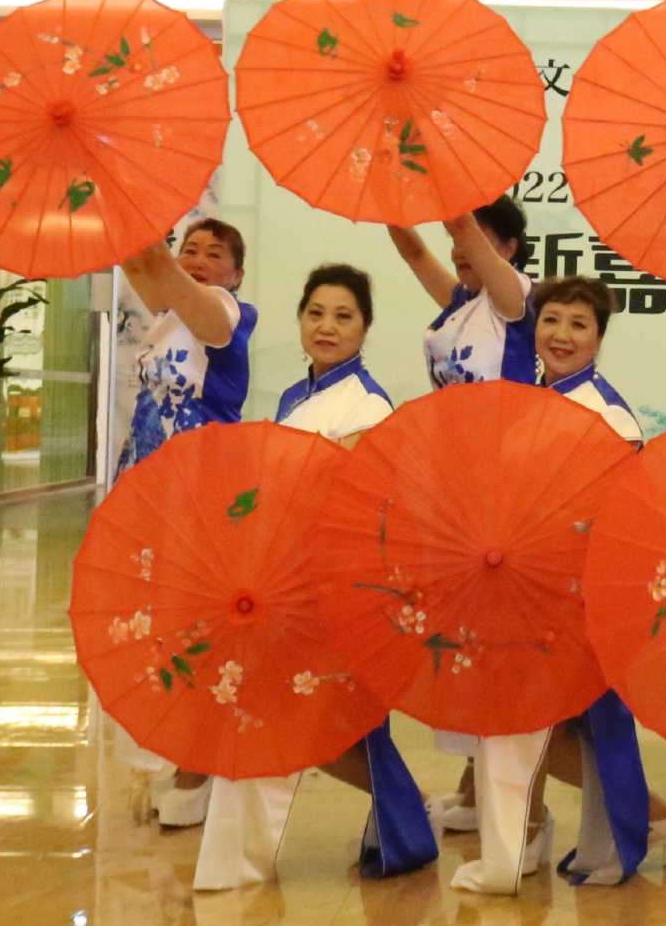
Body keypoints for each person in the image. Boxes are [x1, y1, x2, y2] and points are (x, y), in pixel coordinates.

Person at [192, 265, 441, 890]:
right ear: (301, 318)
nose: (327, 327)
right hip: (280, 577)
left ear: (365, 328)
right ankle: (394, 821)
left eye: (343, 316)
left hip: (331, 585)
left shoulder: (369, 404)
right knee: (279, 713)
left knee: (322, 719)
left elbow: (353, 503)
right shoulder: (292, 397)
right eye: (316, 313)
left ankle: (403, 815)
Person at [530, 276, 666, 886]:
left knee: (602, 723)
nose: (561, 335)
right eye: (551, 321)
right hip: (536, 587)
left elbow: (618, 515)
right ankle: (645, 825)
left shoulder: (610, 415)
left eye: (578, 325)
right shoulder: (527, 397)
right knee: (554, 725)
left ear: (599, 337)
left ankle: (628, 841)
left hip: (587, 588)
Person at [388, 195, 534, 836]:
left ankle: (500, 797)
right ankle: (475, 789)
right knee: (463, 638)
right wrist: (388, 198)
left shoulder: (514, 299)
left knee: (493, 639)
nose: (456, 247)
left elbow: (455, 232)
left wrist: (449, 193)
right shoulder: (460, 304)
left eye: (473, 238)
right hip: (453, 487)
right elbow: (416, 249)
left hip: (503, 487)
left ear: (505, 248)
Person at [115, 218, 260, 828]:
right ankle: (181, 755)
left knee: (199, 629)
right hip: (150, 482)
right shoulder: (164, 318)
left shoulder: (229, 313)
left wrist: (160, 246)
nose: (198, 260)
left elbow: (170, 279)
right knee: (160, 627)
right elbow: (141, 265)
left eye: (214, 253)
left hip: (203, 490)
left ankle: (199, 768)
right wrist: (123, 213)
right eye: (190, 249)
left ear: (236, 273)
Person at [390, 194, 537, 389]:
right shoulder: (463, 298)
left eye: (472, 241)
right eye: (455, 242)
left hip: (505, 417)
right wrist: (388, 193)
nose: (460, 251)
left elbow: (462, 225)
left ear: (509, 249)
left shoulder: (514, 295)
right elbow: (415, 255)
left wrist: (436, 172)